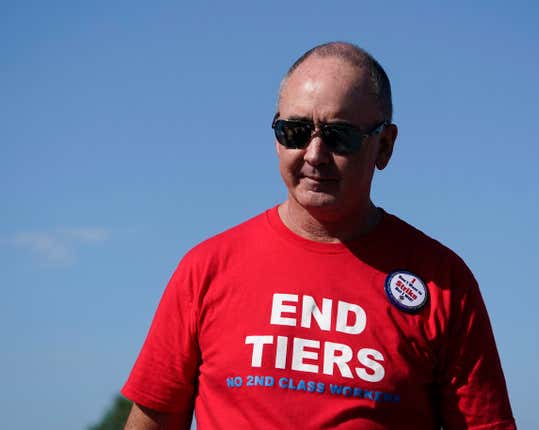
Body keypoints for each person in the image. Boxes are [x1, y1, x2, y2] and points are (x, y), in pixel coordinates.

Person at [122, 41, 516, 429]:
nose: (313, 154)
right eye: (294, 131)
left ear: (385, 146)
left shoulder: (443, 283)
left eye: (339, 135)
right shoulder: (205, 270)